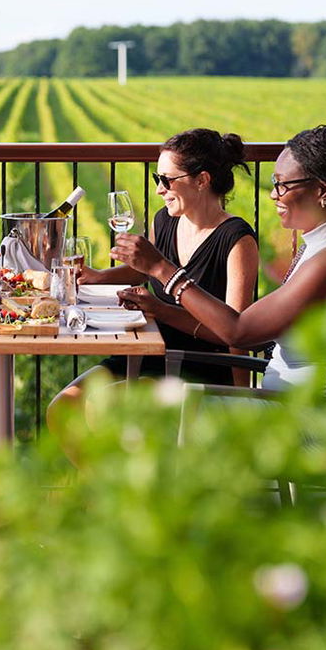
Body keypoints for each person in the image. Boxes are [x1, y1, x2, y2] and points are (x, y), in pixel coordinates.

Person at [113, 124, 326, 389]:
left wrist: (163, 269)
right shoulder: (324, 244)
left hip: (301, 418)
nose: (273, 194)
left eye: (283, 185)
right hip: (279, 399)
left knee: (124, 404)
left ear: (322, 191)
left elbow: (239, 331)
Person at [47, 128, 259, 446]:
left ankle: (122, 491)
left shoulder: (237, 240)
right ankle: (102, 492)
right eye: (156, 178)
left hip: (198, 365)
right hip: (148, 351)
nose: (159, 189)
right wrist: (98, 276)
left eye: (167, 180)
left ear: (202, 180)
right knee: (63, 408)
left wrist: (241, 397)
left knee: (101, 407)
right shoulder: (167, 220)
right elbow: (144, 272)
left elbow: (233, 333)